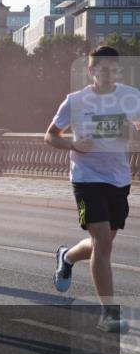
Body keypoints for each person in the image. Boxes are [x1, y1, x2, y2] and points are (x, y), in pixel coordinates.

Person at [46, 45, 140, 332]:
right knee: (103, 241)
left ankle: (67, 256)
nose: (109, 75)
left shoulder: (130, 97)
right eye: (103, 69)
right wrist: (73, 144)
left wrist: (133, 133)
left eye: (114, 69)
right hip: (86, 178)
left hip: (118, 179)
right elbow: (50, 136)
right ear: (91, 71)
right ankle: (108, 314)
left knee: (105, 241)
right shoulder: (75, 101)